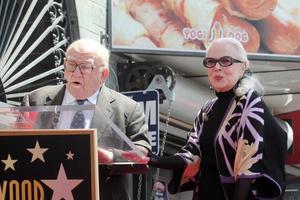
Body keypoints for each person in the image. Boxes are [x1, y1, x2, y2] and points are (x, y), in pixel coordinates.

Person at [148, 38, 287, 199]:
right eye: (211, 62)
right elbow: (191, 154)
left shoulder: (248, 102)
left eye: (225, 61)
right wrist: (151, 159)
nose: (217, 67)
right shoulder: (208, 109)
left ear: (243, 66)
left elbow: (248, 164)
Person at [22, 38, 151, 200]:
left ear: (103, 75)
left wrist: (110, 157)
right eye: (71, 64)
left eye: (84, 67)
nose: (75, 73)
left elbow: (141, 151)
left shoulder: (127, 108)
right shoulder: (36, 100)